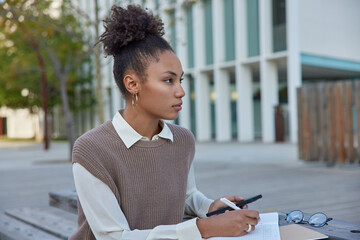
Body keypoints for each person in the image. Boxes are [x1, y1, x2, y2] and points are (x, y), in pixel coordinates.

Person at [70, 4, 260, 240]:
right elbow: (113, 237)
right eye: (169, 80)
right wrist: (205, 229)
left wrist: (210, 207)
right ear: (132, 84)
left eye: (180, 80)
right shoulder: (92, 149)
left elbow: (187, 195)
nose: (180, 91)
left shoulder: (182, 139)